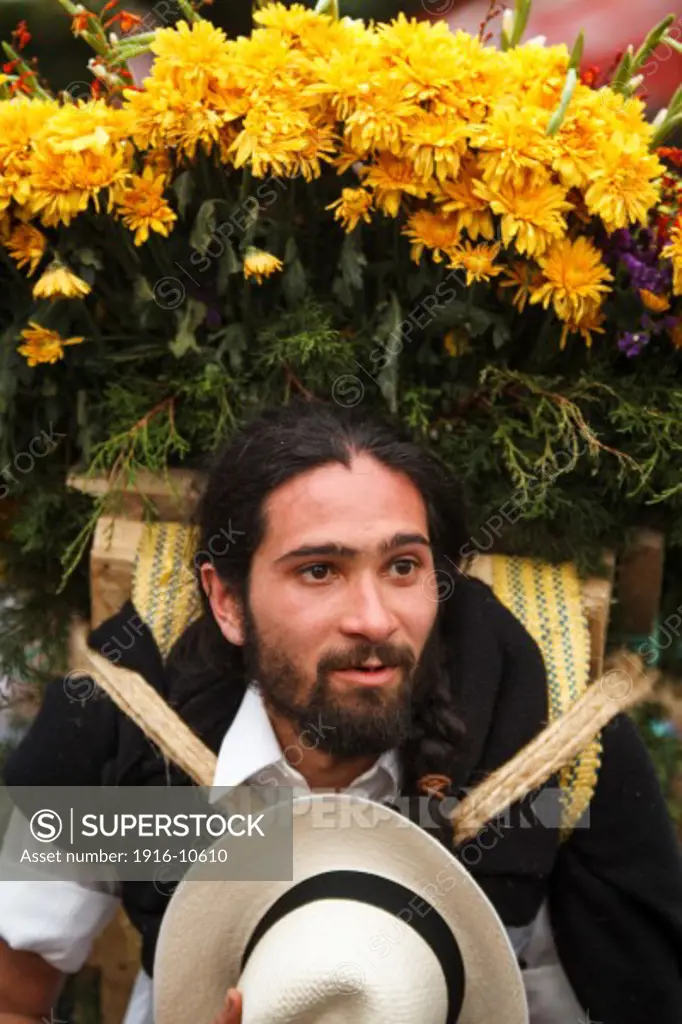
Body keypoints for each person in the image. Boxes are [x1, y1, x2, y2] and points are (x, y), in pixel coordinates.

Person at [0, 398, 681, 1024]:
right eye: (319, 570)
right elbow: (11, 998)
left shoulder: (554, 744)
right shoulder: (125, 708)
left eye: (403, 567)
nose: (374, 619)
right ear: (228, 601)